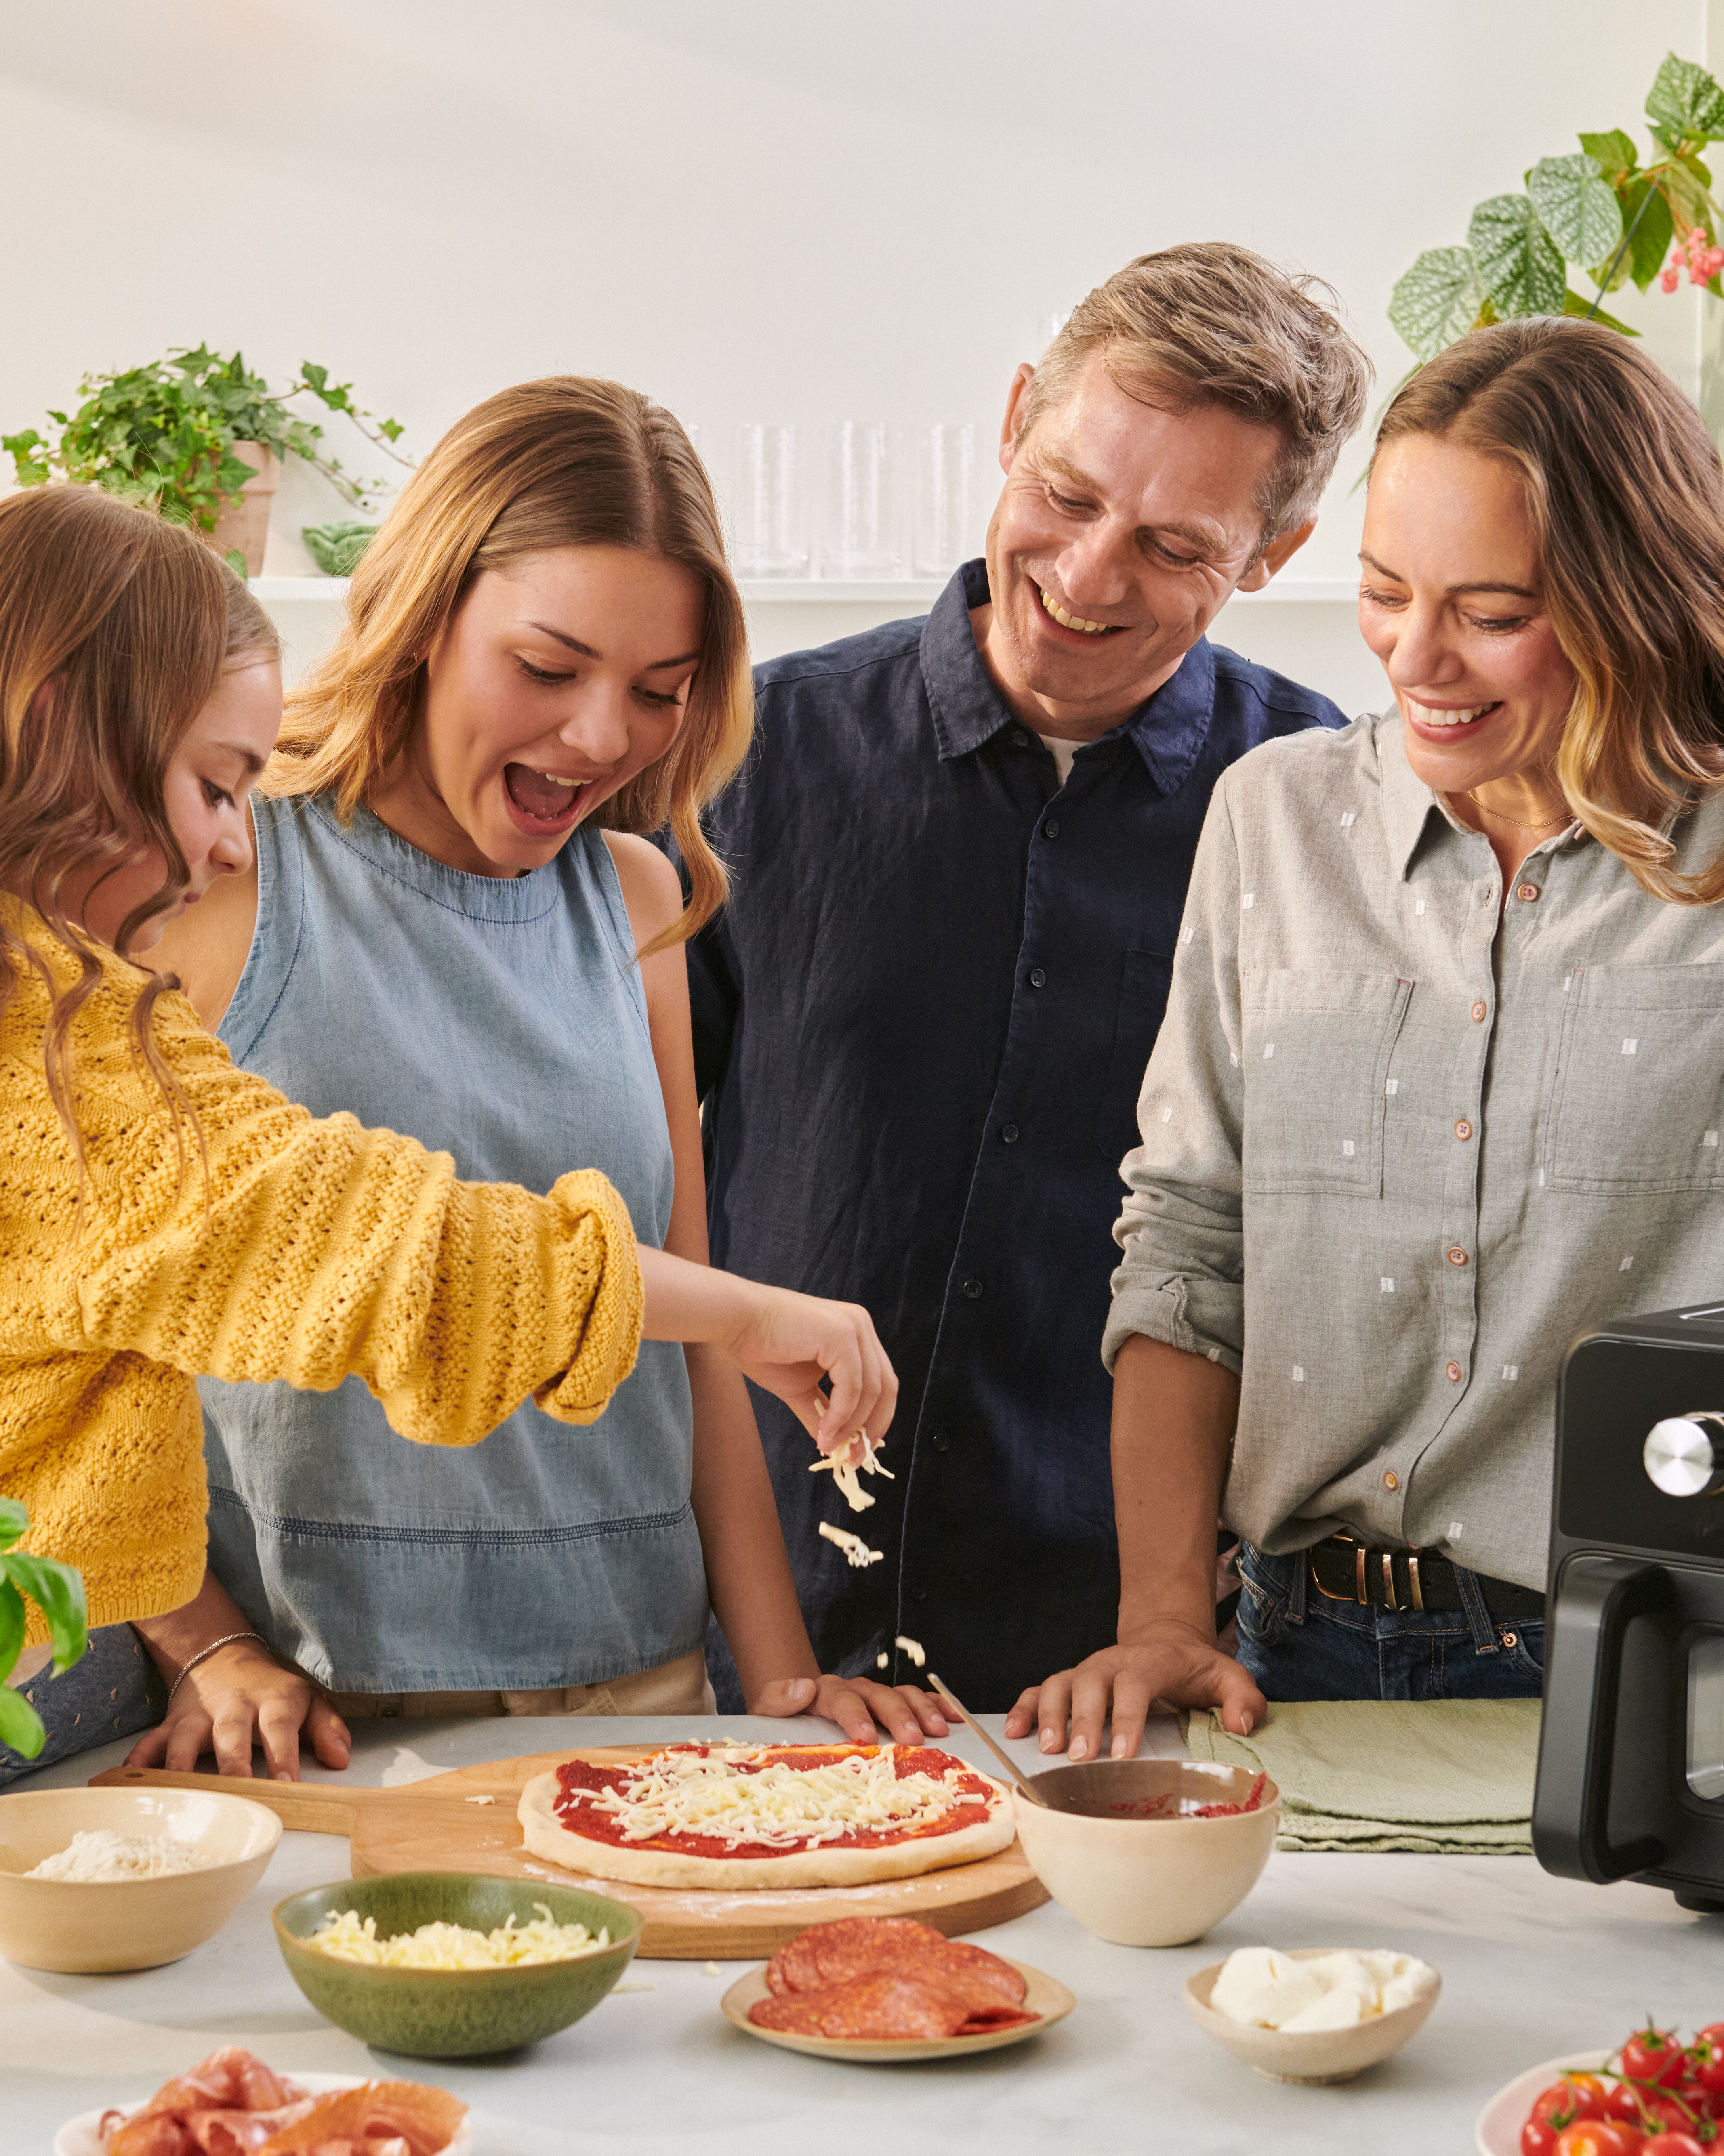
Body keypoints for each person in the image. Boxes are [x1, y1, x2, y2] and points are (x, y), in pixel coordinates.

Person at [0, 483, 895, 1809]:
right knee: (86, 1646)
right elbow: (404, 1253)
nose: (236, 840)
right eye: (212, 783)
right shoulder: (69, 1047)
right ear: (64, 728)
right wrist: (765, 1313)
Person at [1015, 316, 1724, 1758]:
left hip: (1651, 1655)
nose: (1419, 656)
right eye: (1386, 591)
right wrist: (1163, 1620)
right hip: (1290, 1652)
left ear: (1634, 597)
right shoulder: (1277, 819)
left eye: (1494, 610)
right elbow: (1189, 1243)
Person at [124, 378, 942, 1781]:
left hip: (633, 1672)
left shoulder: (634, 899)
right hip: (316, 1691)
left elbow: (693, 1323)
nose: (602, 739)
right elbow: (83, 1326)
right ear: (426, 615)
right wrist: (200, 1641)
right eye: (549, 669)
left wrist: (787, 1684)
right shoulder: (226, 875)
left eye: (657, 692)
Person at [685, 244, 1372, 1712]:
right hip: (761, 1641)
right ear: (1014, 420)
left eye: (1177, 546)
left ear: (1278, 553)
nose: (1085, 576)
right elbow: (624, 1204)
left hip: (1133, 1663)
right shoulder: (750, 758)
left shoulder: (1336, 817)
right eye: (1065, 495)